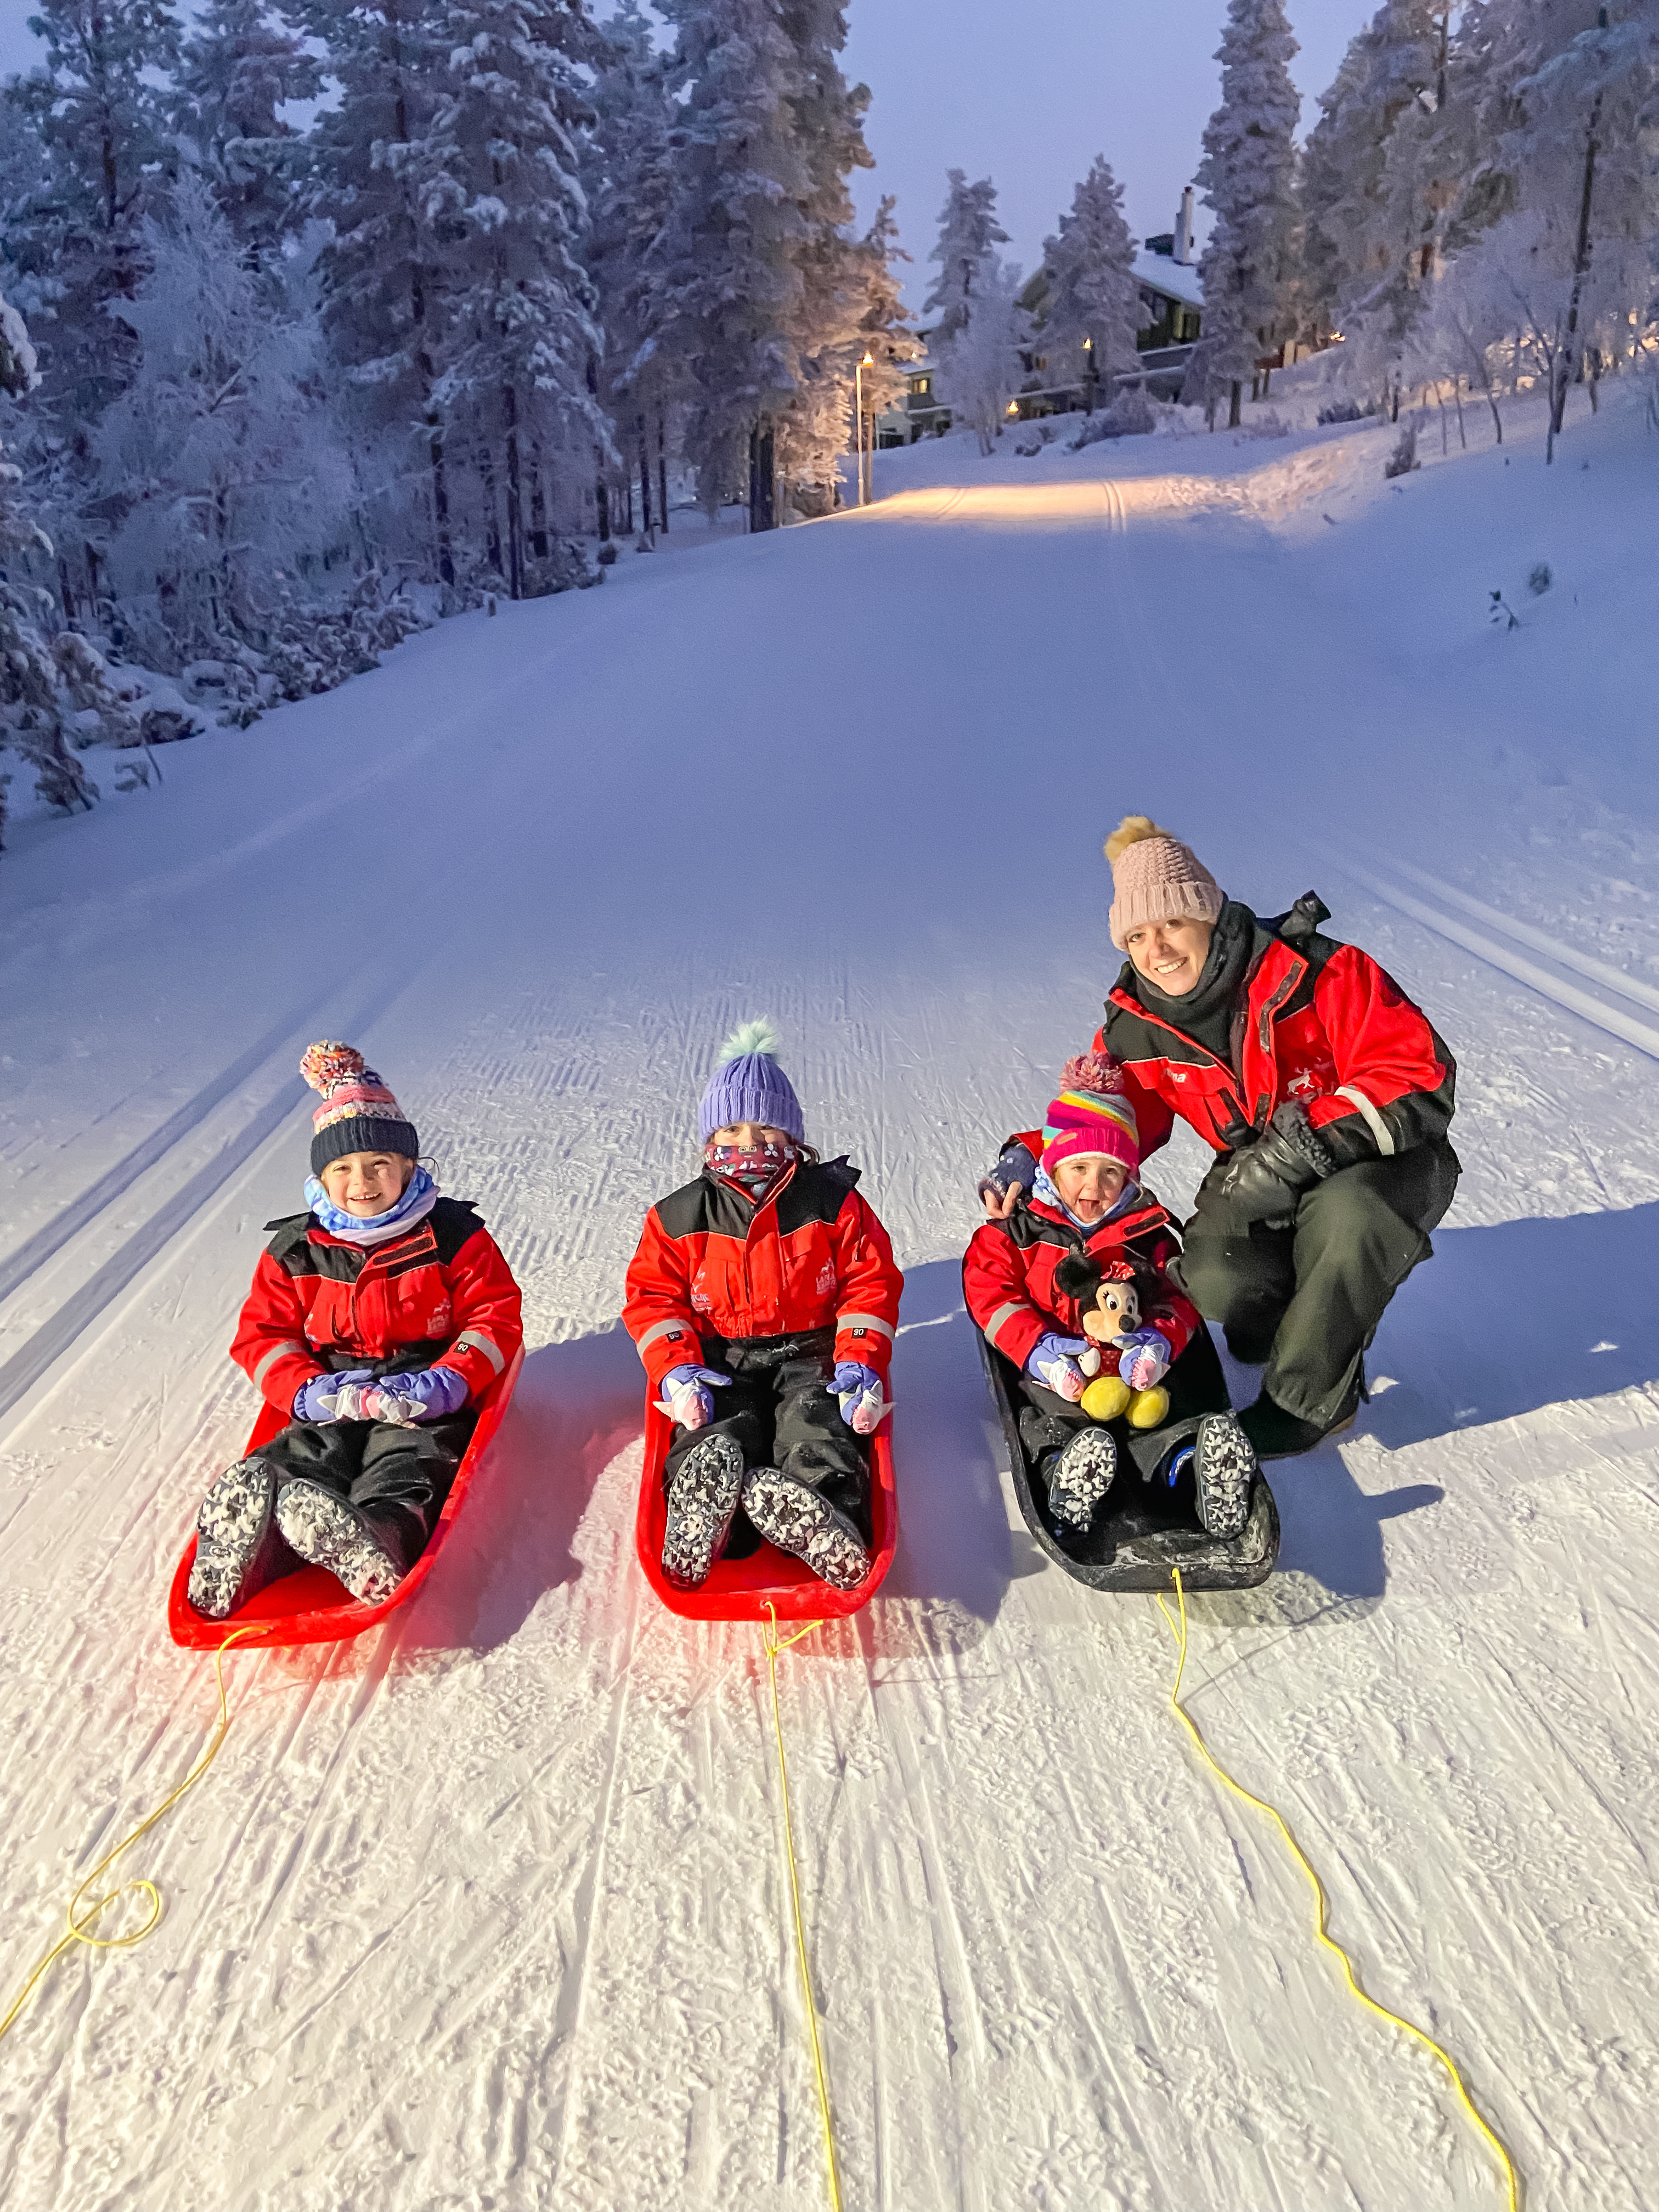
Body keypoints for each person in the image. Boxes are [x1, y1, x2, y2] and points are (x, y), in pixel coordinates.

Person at [982, 817, 1458, 1459]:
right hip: (1260, 1171)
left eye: (1173, 924)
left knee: (1351, 1222)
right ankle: (1292, 1320)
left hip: (1379, 1160)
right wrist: (1029, 1156)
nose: (1160, 949)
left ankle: (1309, 1400)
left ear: (1207, 914)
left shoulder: (1319, 972)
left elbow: (1417, 1075)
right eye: (1139, 936)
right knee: (1209, 1278)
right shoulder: (1140, 1024)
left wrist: (1302, 1144)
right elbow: (1106, 1119)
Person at [188, 1043, 523, 1618]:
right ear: (321, 1178)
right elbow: (262, 1335)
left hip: (421, 1390)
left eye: (378, 1166)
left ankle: (376, 1538)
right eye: (342, 1169)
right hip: (332, 1386)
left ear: (409, 1170)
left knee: (409, 1460)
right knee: (304, 1452)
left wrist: (449, 1380)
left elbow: (495, 1315)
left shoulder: (451, 1236)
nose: (361, 1182)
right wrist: (304, 1391)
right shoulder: (296, 1250)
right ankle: (251, 1542)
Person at [623, 1020, 904, 1592]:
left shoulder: (832, 1202)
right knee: (717, 1431)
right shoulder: (680, 1216)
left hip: (811, 1354)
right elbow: (653, 1297)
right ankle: (707, 1516)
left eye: (766, 1127)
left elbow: (869, 1281)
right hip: (719, 1360)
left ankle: (822, 1515)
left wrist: (859, 1358)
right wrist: (676, 1368)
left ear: (794, 1136)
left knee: (814, 1427)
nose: (748, 1144)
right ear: (709, 1140)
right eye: (731, 1128)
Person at [964, 1053, 1256, 1541]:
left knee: (1160, 1410)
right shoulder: (1016, 1234)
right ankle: (1067, 1475)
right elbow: (989, 1292)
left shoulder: (1147, 1233)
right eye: (1078, 1167)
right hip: (1060, 1365)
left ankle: (1191, 1472)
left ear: (1130, 1179)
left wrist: (1158, 1343)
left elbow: (1179, 1300)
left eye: (1110, 1173)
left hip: (1130, 1363)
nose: (1092, 1187)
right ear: (1052, 1169)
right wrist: (1039, 1353)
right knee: (1050, 1412)